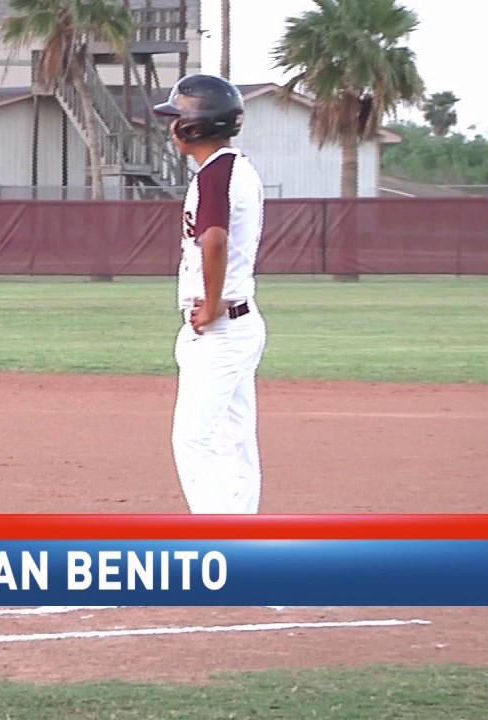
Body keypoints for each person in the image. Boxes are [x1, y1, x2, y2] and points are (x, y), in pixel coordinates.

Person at [152, 74, 268, 514]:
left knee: (194, 439)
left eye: (176, 117)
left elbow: (214, 239)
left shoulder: (216, 175)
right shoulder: (236, 168)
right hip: (239, 323)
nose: (171, 126)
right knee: (234, 440)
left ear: (195, 126)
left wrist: (214, 300)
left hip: (221, 327)